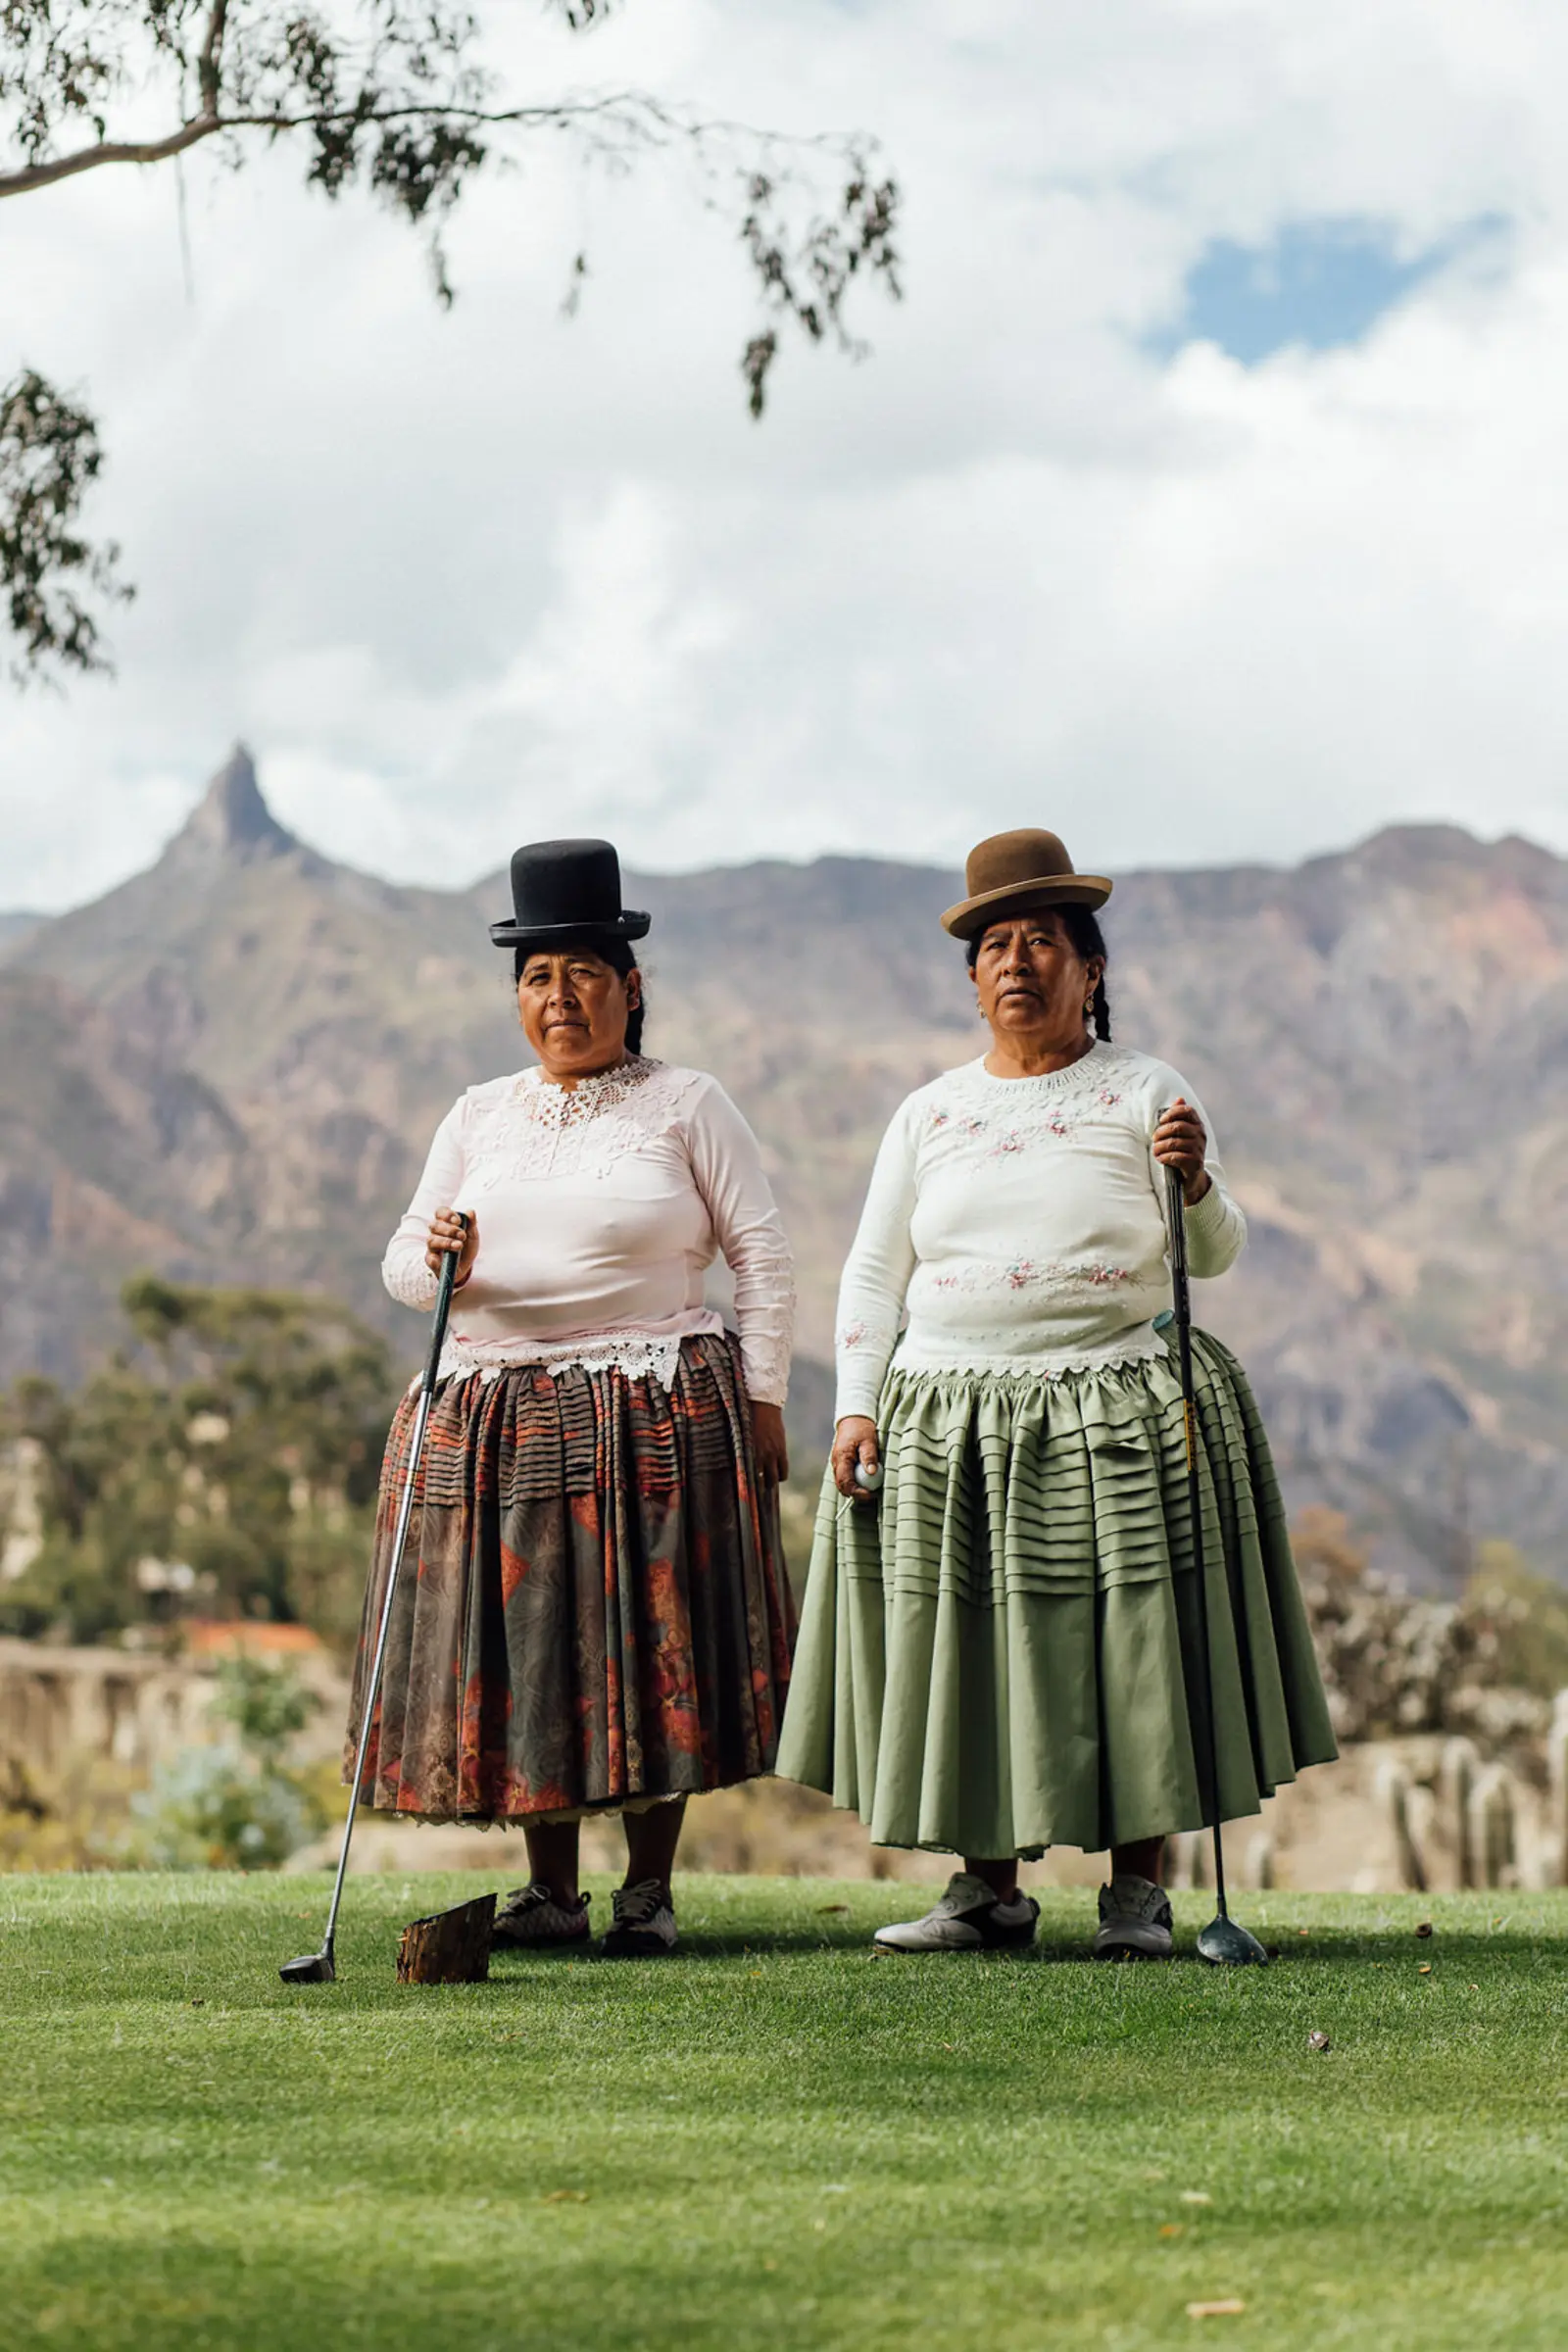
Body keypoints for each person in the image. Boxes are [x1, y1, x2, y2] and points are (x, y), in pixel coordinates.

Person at [775, 828, 1336, 1959]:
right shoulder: (928, 1112)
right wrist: (853, 1401)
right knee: (978, 1649)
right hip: (950, 1417)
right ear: (972, 979)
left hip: (1113, 1401)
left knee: (1134, 1641)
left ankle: (1136, 1896)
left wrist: (1195, 1180)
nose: (1016, 962)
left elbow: (1213, 1254)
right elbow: (876, 1269)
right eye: (994, 946)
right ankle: (987, 1895)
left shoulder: (1147, 1090)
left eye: (1042, 942)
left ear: (1091, 971)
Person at [346, 837, 796, 1958]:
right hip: (499, 1419)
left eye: (582, 974)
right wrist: (440, 1251)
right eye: (538, 978)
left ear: (630, 988)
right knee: (530, 1645)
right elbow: (405, 1267)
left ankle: (647, 1890)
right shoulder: (478, 1114)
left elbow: (762, 1254)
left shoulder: (688, 1104)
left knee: (655, 1645)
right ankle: (551, 1890)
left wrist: (766, 1396)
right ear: (516, 996)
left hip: (655, 1411)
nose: (560, 998)